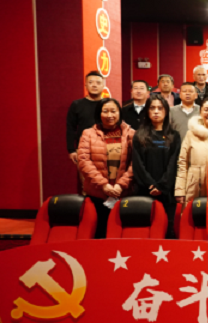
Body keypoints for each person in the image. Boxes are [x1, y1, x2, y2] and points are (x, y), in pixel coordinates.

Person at [78, 98, 134, 239]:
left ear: (119, 113)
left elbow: (136, 163)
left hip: (123, 193)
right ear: (99, 113)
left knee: (122, 234)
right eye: (105, 111)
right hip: (97, 193)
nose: (110, 115)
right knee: (99, 233)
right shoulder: (88, 133)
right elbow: (84, 161)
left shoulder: (131, 133)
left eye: (113, 111)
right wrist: (104, 185)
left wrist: (121, 185)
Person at [132, 94, 181, 238]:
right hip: (144, 191)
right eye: (152, 108)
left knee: (167, 231)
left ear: (166, 111)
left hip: (167, 192)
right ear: (147, 111)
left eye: (160, 108)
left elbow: (174, 162)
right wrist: (150, 185)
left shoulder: (174, 135)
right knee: (146, 231)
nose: (156, 111)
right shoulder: (139, 135)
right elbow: (137, 164)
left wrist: (161, 186)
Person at [67, 71, 105, 170]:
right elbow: (71, 128)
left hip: (106, 147)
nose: (94, 85)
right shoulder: (77, 104)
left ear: (103, 85)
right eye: (91, 82)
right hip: (84, 149)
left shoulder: (108, 104)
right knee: (86, 178)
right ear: (86, 85)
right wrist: (71, 150)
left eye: (98, 82)